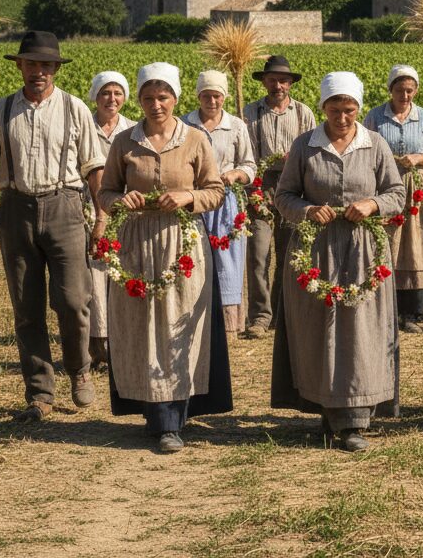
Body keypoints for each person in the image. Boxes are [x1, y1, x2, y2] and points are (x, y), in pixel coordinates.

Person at [0, 31, 104, 422]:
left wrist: (102, 215)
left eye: (46, 65)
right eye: (32, 64)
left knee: (73, 301)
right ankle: (39, 393)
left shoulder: (75, 109)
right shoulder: (1, 111)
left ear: (55, 69)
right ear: (20, 66)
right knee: (26, 307)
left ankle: (79, 369)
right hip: (16, 210)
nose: (39, 72)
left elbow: (93, 167)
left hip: (65, 207)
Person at [98, 63, 231, 453]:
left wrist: (188, 197)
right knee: (142, 325)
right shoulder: (124, 142)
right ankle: (153, 412)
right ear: (138, 101)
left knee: (177, 325)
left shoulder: (195, 140)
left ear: (175, 99)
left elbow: (216, 190)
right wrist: (121, 200)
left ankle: (172, 419)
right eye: (148, 98)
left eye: (163, 97)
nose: (156, 105)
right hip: (136, 243)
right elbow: (105, 192)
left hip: (182, 243)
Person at [271, 72, 406, 452]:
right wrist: (308, 210)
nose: (342, 118)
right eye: (335, 110)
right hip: (316, 251)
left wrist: (372, 204)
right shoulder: (305, 146)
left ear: (358, 109)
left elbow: (396, 192)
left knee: (360, 331)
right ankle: (325, 408)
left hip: (364, 252)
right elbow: (283, 196)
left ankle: (354, 419)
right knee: (319, 329)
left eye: (349, 110)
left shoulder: (375, 144)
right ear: (323, 108)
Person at [363, 65, 423, 333]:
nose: (405, 96)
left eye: (409, 90)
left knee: (415, 244)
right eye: (399, 90)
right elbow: (365, 149)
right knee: (388, 240)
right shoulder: (375, 117)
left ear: (416, 91)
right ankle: (386, 307)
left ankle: (412, 311)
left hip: (416, 187)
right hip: (385, 186)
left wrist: (418, 158)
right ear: (391, 90)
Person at [242, 55, 315, 339]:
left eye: (283, 80)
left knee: (289, 254)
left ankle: (282, 311)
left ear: (290, 83)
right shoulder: (250, 113)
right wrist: (253, 190)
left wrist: (294, 161)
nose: (278, 86)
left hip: (292, 188)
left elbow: (311, 153)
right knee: (258, 254)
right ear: (264, 82)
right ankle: (259, 316)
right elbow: (246, 154)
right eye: (272, 80)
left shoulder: (303, 113)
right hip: (259, 187)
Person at [183, 70, 256, 336]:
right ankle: (194, 320)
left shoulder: (236, 126)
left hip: (226, 203)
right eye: (206, 96)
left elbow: (249, 165)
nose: (212, 101)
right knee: (194, 256)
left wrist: (236, 174)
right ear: (198, 96)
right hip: (194, 200)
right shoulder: (185, 124)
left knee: (228, 260)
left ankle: (228, 324)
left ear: (224, 97)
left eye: (217, 96)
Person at [84, 70, 136, 370]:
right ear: (96, 96)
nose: (111, 99)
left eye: (117, 93)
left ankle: (122, 345)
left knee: (120, 276)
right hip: (88, 210)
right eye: (105, 93)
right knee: (94, 281)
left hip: (124, 211)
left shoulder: (132, 130)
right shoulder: (84, 126)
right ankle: (98, 348)